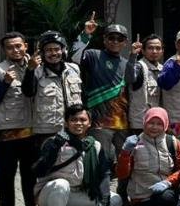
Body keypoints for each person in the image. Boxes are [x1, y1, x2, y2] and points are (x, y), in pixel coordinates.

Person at [33, 104, 122, 206]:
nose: (78, 123)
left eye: (83, 120)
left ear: (89, 123)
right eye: (74, 120)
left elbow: (104, 173)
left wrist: (104, 203)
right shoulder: (53, 142)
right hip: (50, 194)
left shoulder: (95, 145)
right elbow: (39, 170)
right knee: (61, 184)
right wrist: (55, 148)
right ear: (66, 123)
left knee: (116, 200)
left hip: (77, 193)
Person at [0, 31, 41, 206]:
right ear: (4, 50)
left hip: (30, 129)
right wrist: (5, 83)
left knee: (30, 172)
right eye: (10, 47)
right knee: (7, 174)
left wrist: (32, 69)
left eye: (18, 46)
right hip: (7, 131)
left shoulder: (36, 66)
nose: (15, 50)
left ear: (25, 45)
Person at [71, 15, 139, 161]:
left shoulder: (127, 62)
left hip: (122, 122)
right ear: (104, 39)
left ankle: (122, 185)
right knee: (101, 162)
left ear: (125, 43)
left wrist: (133, 56)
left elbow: (131, 79)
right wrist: (86, 34)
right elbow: (74, 57)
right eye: (111, 37)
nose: (115, 41)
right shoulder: (93, 55)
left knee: (125, 162)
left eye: (119, 39)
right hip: (98, 122)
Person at [116, 107, 180, 206]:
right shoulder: (133, 143)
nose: (154, 127)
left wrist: (167, 183)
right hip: (141, 197)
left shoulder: (173, 142)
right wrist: (125, 153)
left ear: (165, 125)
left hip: (164, 194)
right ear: (144, 123)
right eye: (151, 123)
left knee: (167, 197)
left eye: (159, 124)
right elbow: (122, 174)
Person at [24, 31, 83, 147]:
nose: (53, 53)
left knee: (74, 162)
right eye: (49, 50)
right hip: (47, 131)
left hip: (73, 128)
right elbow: (28, 92)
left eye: (57, 49)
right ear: (42, 53)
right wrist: (30, 70)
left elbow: (83, 96)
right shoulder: (36, 71)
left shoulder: (74, 69)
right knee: (49, 163)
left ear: (63, 50)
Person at [128, 34, 163, 138]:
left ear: (162, 51)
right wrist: (133, 55)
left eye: (158, 48)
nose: (154, 51)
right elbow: (130, 77)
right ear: (143, 51)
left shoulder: (164, 69)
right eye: (150, 48)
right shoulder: (138, 66)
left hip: (158, 122)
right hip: (141, 124)